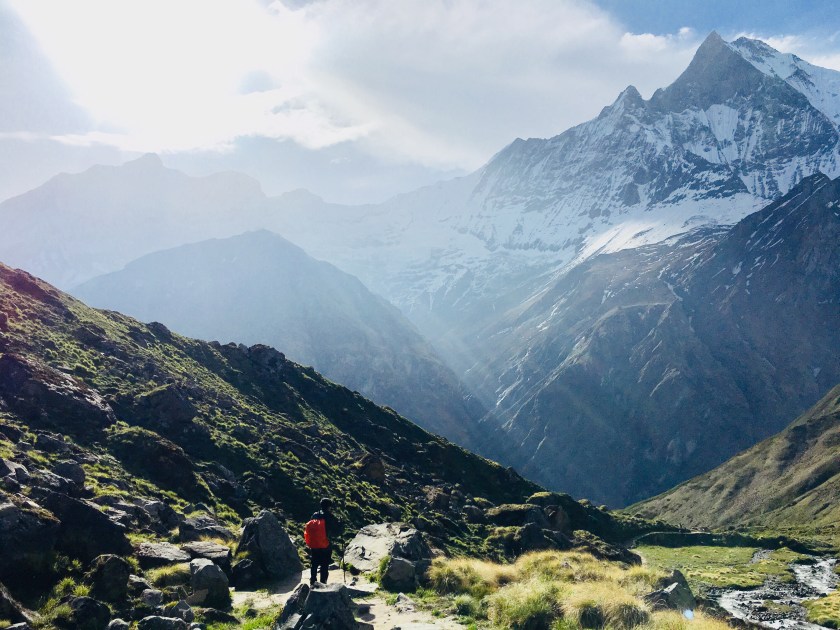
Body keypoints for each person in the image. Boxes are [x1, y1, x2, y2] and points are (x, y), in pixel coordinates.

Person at [304, 497, 343, 586]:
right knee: (324, 565)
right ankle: (323, 583)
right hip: (325, 545)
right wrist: (340, 524)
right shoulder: (329, 516)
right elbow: (336, 532)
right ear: (329, 507)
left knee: (314, 563)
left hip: (314, 545)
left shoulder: (315, 515)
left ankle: (313, 581)